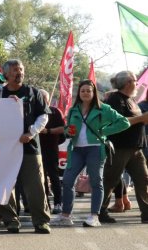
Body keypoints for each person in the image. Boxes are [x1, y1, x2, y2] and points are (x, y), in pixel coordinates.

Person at [52, 79, 130, 227]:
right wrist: (68, 131)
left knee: (96, 182)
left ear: (94, 93)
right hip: (76, 149)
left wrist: (104, 131)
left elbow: (124, 122)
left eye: (89, 90)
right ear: (79, 93)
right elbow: (68, 129)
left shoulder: (104, 109)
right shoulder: (73, 110)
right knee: (67, 181)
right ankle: (65, 215)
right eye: (83, 91)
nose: (86, 93)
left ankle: (94, 216)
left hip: (95, 148)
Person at [0, 59, 51, 234]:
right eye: (16, 70)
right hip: (4, 150)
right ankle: (10, 220)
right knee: (6, 186)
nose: (20, 73)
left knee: (35, 187)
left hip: (30, 147)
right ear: (6, 74)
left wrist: (31, 133)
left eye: (22, 70)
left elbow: (43, 116)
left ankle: (41, 221)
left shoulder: (34, 92)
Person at [98, 71, 148, 224]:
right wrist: (142, 118)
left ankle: (146, 213)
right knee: (110, 181)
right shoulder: (115, 99)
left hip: (136, 148)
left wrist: (142, 120)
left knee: (143, 180)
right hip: (120, 148)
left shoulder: (131, 100)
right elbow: (118, 121)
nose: (137, 83)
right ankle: (100, 212)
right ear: (127, 83)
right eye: (134, 80)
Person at [38, 89, 67, 214]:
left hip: (51, 148)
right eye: (39, 97)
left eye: (44, 98)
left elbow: (63, 129)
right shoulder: (33, 111)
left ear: (48, 99)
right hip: (36, 150)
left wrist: (48, 131)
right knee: (41, 178)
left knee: (54, 176)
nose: (42, 100)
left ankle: (58, 203)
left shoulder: (55, 112)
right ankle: (45, 204)